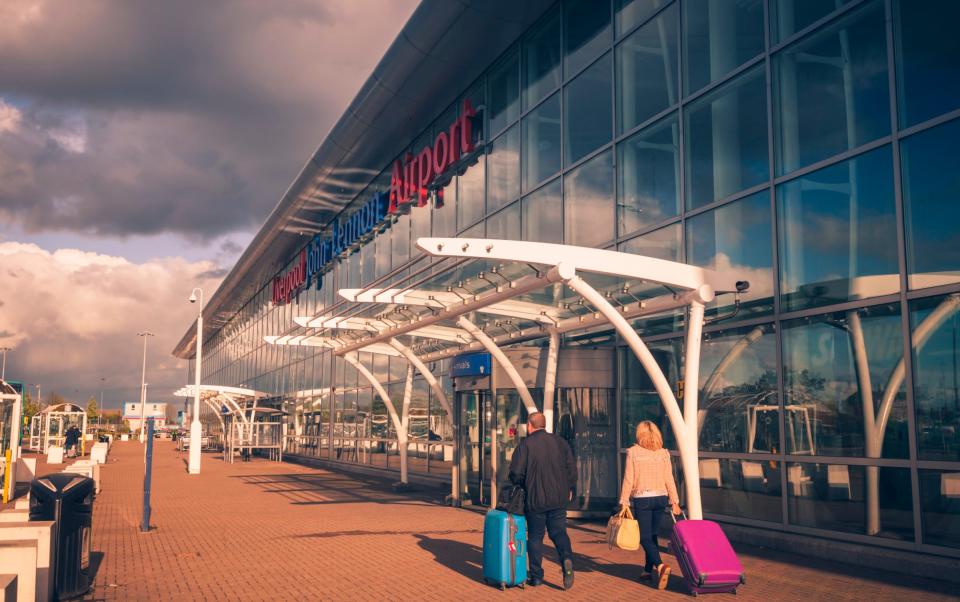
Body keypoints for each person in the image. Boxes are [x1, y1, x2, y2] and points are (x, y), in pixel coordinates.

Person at [508, 412, 577, 590]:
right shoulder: (561, 442)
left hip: (535, 498)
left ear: (530, 426)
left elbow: (516, 473)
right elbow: (571, 469)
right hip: (559, 498)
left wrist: (521, 483)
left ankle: (536, 576)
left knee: (536, 537)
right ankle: (566, 559)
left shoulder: (526, 445)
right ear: (544, 425)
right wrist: (570, 488)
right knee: (559, 532)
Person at [617, 420, 681, 590]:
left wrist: (624, 501)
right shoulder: (663, 453)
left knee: (644, 537)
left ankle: (660, 566)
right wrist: (674, 501)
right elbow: (669, 478)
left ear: (639, 434)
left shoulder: (633, 452)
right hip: (661, 498)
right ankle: (647, 570)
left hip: (643, 499)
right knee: (652, 535)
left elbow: (628, 478)